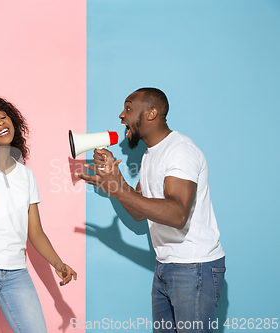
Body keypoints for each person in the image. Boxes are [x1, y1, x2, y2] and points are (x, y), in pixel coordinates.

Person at [76, 88, 225, 333]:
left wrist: (116, 189)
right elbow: (138, 212)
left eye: (128, 108)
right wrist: (116, 181)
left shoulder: (181, 150)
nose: (121, 116)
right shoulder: (150, 155)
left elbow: (177, 215)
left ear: (152, 113)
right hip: (166, 266)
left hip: (194, 268)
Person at [0, 96, 77, 333]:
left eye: (3, 116)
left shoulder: (26, 175)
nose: (1, 123)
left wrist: (58, 263)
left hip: (16, 272)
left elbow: (35, 232)